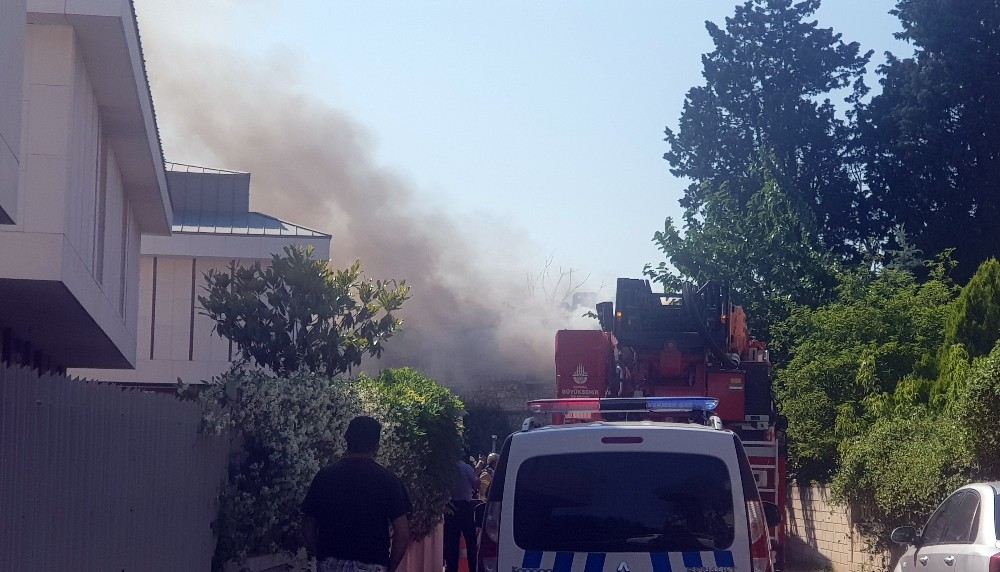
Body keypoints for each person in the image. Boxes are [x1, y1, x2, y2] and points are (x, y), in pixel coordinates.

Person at [302, 416, 412, 572]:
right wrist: (390, 567)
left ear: (347, 439)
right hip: (372, 563)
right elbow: (402, 532)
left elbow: (308, 524)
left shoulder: (325, 477)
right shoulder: (389, 481)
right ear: (376, 446)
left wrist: (319, 555)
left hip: (330, 562)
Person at [444, 459, 480, 572]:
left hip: (451, 507)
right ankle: (473, 568)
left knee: (451, 542)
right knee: (471, 542)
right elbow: (476, 484)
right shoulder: (466, 468)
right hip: (465, 507)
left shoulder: (448, 469)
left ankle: (452, 568)